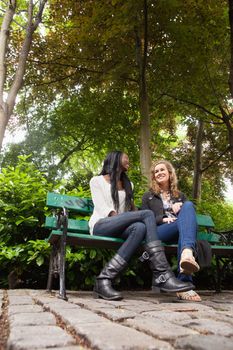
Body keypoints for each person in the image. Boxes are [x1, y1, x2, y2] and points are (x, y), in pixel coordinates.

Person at [89, 151, 194, 301]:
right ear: (116, 159)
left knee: (140, 227)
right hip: (102, 225)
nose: (129, 161)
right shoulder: (97, 181)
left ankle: (104, 279)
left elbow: (130, 211)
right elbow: (103, 209)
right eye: (126, 158)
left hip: (120, 227)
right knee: (146, 214)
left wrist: (134, 218)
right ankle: (163, 274)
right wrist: (133, 218)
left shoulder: (128, 184)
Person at [142, 160, 201, 302]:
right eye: (156, 171)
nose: (159, 173)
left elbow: (189, 217)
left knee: (187, 205)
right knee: (185, 229)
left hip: (180, 231)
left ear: (169, 173)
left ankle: (186, 256)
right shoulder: (148, 196)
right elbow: (144, 217)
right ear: (153, 176)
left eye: (162, 170)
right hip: (159, 232)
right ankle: (185, 282)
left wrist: (179, 206)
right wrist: (162, 219)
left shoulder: (180, 195)